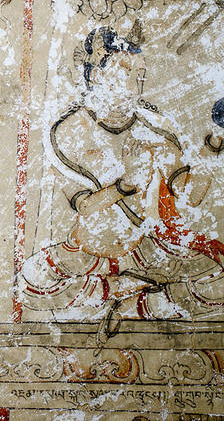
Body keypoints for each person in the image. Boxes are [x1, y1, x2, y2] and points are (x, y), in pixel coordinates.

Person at [21, 26, 224, 333]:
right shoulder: (68, 131)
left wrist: (214, 143)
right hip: (88, 252)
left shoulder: (155, 127)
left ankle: (134, 303)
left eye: (140, 74)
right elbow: (84, 206)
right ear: (97, 75)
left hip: (146, 251)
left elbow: (190, 196)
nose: (135, 83)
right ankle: (123, 288)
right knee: (29, 284)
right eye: (125, 71)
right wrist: (125, 184)